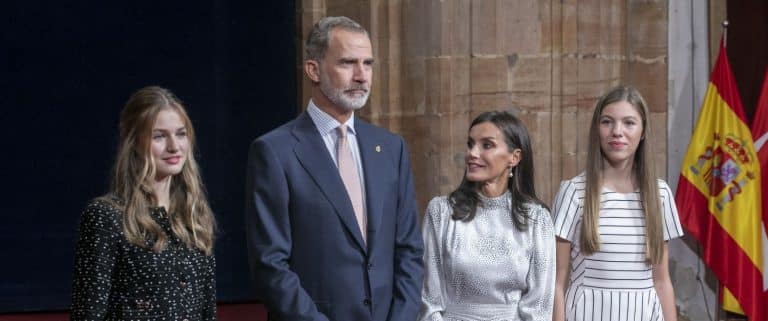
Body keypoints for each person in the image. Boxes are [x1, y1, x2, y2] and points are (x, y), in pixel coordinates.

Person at [245, 16, 423, 321]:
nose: (362, 76)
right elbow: (270, 265)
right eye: (347, 63)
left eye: (368, 64)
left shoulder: (391, 148)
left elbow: (409, 252)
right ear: (313, 69)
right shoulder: (275, 151)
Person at [70, 86, 217, 321]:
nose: (174, 146)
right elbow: (87, 314)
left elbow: (207, 312)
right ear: (134, 141)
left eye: (181, 134)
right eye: (159, 136)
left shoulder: (194, 217)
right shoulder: (106, 216)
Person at [551, 85, 683, 321]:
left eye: (629, 123)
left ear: (642, 132)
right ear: (597, 129)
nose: (617, 131)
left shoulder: (659, 195)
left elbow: (662, 281)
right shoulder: (574, 192)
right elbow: (556, 282)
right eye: (607, 122)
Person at [419, 111, 555, 321]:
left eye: (487, 145)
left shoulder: (537, 220)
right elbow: (429, 299)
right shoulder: (441, 212)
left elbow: (539, 306)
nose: (472, 153)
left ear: (514, 157)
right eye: (470, 144)